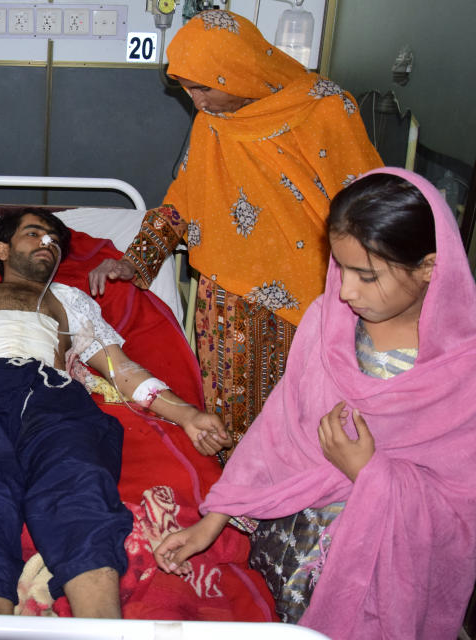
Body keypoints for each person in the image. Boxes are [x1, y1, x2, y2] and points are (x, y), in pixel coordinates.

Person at [152, 168, 476, 638]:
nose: (345, 291)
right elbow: (275, 432)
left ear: (429, 267)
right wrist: (209, 525)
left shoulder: (469, 374)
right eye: (340, 268)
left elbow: (464, 514)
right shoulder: (328, 321)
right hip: (283, 554)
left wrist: (370, 472)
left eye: (367, 275)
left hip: (372, 582)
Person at [0, 210, 231, 617]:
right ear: (3, 248)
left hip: (53, 396)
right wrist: (4, 259)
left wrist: (186, 414)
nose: (48, 244)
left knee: (80, 488)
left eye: (54, 242)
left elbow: (121, 369)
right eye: (34, 234)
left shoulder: (69, 299)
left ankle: (101, 626)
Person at [89, 9, 382, 451]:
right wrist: (135, 260)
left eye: (204, 87)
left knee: (312, 417)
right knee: (233, 423)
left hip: (317, 297)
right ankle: (237, 512)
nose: (196, 102)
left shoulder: (325, 108)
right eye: (187, 89)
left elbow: (368, 201)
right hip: (226, 306)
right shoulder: (214, 124)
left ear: (239, 71)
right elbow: (182, 202)